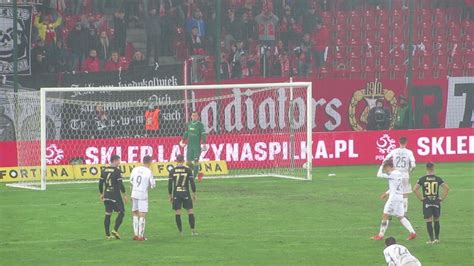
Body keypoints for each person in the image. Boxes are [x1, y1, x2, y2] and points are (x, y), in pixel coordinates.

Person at [371, 160, 417, 241]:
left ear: (389, 167)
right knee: (400, 217)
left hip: (393, 199)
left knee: (385, 215)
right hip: (399, 197)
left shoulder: (393, 174)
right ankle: (412, 233)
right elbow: (395, 186)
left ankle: (380, 235)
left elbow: (379, 175)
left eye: (386, 168)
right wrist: (386, 193)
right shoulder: (399, 173)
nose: (386, 170)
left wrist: (381, 165)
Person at [413, 162, 449, 244]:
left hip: (427, 201)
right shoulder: (438, 179)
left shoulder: (422, 179)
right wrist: (442, 198)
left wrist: (421, 198)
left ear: (426, 168)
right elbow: (447, 188)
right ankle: (437, 239)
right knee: (436, 219)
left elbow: (415, 189)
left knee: (428, 220)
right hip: (436, 201)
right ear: (433, 168)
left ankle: (431, 239)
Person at [382, 137, 416, 217]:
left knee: (393, 192)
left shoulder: (394, 151)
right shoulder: (409, 152)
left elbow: (385, 159)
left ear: (399, 142)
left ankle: (389, 212)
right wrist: (410, 170)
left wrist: (387, 169)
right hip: (404, 174)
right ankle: (404, 212)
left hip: (395, 173)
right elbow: (414, 165)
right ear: (406, 142)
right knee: (404, 194)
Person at [99, 155, 128, 240]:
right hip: (115, 195)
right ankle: (115, 230)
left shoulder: (103, 170)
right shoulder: (117, 171)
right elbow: (120, 184)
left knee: (108, 214)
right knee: (121, 212)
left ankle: (107, 235)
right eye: (119, 161)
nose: (119, 162)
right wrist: (124, 194)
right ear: (115, 161)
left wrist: (101, 193)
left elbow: (100, 183)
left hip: (106, 195)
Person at [168, 155, 198, 236]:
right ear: (184, 160)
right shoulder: (188, 170)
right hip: (186, 192)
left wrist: (170, 195)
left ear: (176, 161)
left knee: (178, 212)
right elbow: (192, 183)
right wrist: (194, 193)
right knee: (190, 211)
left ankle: (181, 232)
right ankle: (193, 231)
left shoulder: (172, 171)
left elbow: (170, 185)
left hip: (177, 193)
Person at [130, 155, 156, 241]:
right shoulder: (149, 171)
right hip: (142, 194)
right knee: (142, 214)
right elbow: (153, 185)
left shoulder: (135, 169)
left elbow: (131, 180)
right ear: (150, 162)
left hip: (134, 192)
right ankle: (141, 236)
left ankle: (135, 235)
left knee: (135, 212)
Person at [179, 111, 208, 182]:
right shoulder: (188, 124)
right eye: (193, 115)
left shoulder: (200, 125)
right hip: (189, 146)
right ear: (191, 116)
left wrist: (204, 144)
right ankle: (199, 173)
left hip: (196, 147)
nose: (194, 117)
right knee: (188, 163)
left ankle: (193, 178)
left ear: (198, 117)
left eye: (196, 115)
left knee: (196, 161)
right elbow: (186, 133)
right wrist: (182, 141)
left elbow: (203, 135)